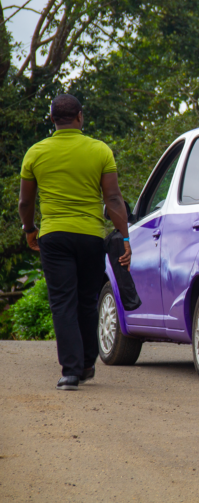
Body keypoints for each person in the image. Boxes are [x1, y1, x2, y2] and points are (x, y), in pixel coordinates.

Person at [18, 94, 131, 391]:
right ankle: (87, 363)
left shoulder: (35, 153)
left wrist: (30, 228)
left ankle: (70, 371)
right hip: (90, 235)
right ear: (80, 116)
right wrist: (125, 237)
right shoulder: (99, 150)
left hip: (53, 236)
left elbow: (25, 201)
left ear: (52, 118)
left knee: (62, 301)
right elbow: (114, 198)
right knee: (87, 299)